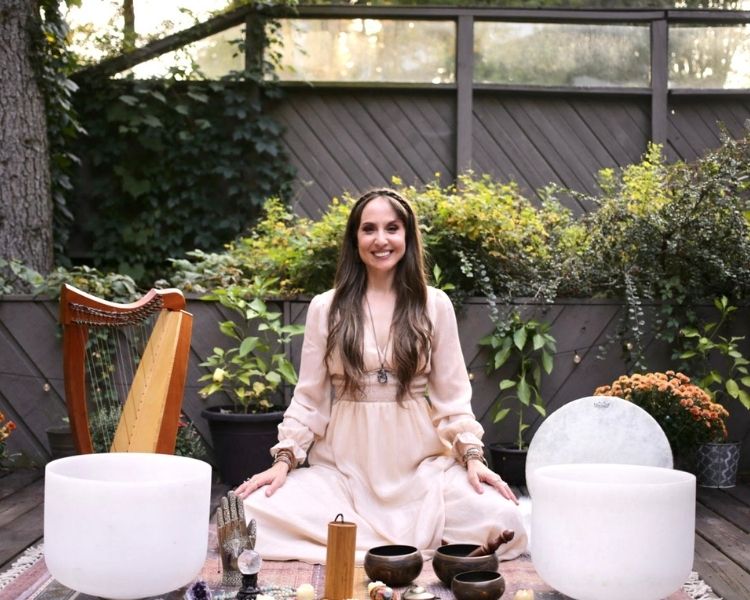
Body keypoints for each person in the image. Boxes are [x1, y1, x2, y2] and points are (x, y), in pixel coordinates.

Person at [235, 188, 528, 563]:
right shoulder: (326, 308)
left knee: (503, 518)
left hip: (423, 472)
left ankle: (362, 544)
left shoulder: (434, 304)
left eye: (392, 228)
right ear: (354, 238)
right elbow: (309, 399)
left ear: (407, 236)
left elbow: (453, 398)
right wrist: (284, 461)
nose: (381, 240)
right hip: (342, 476)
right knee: (246, 516)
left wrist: (472, 458)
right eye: (369, 229)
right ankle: (398, 546)